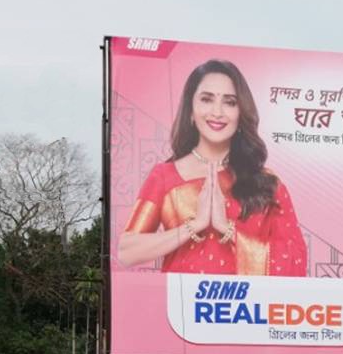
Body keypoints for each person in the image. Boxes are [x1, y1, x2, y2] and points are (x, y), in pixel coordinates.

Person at [117, 59, 308, 276]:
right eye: (207, 99)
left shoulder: (267, 183)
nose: (217, 112)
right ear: (191, 109)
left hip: (247, 308)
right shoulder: (165, 176)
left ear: (240, 113)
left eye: (230, 102)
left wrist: (226, 228)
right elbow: (127, 251)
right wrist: (194, 226)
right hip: (183, 307)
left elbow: (296, 260)